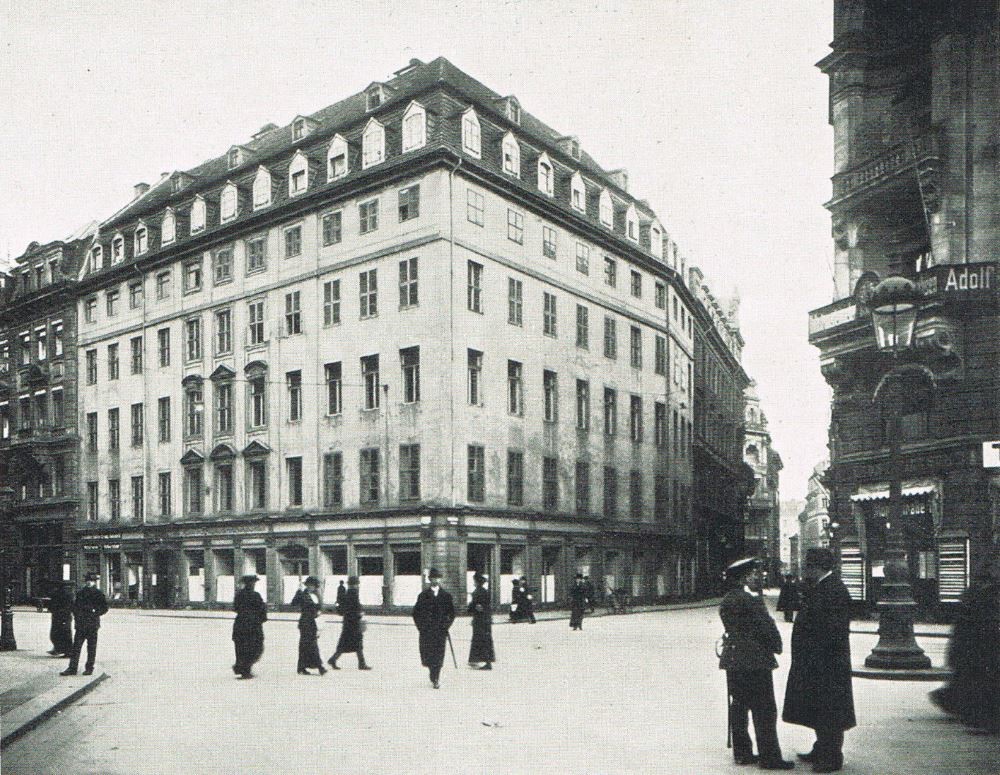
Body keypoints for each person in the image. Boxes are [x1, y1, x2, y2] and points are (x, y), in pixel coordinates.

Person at [783, 548, 856, 773]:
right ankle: (821, 748)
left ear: (819, 567)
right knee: (818, 708)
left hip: (826, 665)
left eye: (809, 566)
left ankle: (832, 756)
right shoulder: (823, 587)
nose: (806, 571)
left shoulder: (833, 590)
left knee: (829, 710)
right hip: (816, 663)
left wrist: (816, 657)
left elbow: (832, 631)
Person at [718, 557, 793, 770]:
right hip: (755, 660)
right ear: (743, 578)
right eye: (753, 574)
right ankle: (770, 757)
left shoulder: (728, 599)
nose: (758, 577)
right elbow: (766, 629)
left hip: (733, 659)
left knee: (739, 705)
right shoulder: (751, 601)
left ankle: (742, 753)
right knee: (765, 709)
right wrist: (776, 646)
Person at [929, 571, 1000, 731]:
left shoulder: (973, 597)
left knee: (971, 681)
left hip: (971, 651)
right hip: (976, 651)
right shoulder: (985, 598)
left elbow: (961, 629)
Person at [412, 567, 455, 688]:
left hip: (440, 631)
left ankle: (436, 678)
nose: (435, 580)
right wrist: (421, 627)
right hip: (427, 631)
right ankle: (432, 673)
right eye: (433, 578)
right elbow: (416, 613)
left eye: (438, 578)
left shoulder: (446, 596)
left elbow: (451, 613)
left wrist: (446, 626)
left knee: (439, 655)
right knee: (428, 655)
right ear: (429, 579)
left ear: (440, 579)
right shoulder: (423, 595)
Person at [60, 572, 109, 676]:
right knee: (76, 647)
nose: (89, 583)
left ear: (94, 582)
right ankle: (72, 668)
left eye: (91, 581)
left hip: (92, 624)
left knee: (91, 648)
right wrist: (77, 615)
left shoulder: (98, 593)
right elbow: (74, 606)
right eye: (87, 580)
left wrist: (96, 612)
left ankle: (89, 668)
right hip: (81, 624)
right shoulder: (81, 593)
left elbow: (104, 608)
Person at [328, 576, 371, 670]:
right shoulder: (353, 594)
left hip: (347, 622)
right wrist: (360, 613)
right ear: (355, 584)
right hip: (353, 623)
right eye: (356, 584)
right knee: (358, 643)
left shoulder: (347, 593)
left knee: (344, 644)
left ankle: (333, 659)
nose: (357, 585)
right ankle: (361, 664)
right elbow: (355, 608)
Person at [232, 574, 267, 679]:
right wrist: (261, 618)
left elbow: (235, 608)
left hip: (241, 624)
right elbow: (262, 609)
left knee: (241, 647)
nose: (253, 585)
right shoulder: (256, 595)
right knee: (254, 647)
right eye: (253, 583)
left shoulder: (239, 595)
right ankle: (245, 670)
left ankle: (243, 669)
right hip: (253, 625)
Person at [291, 576, 326, 675]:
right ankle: (320, 667)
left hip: (313, 623)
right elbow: (293, 604)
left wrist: (318, 611)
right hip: (305, 623)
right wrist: (297, 594)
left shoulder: (315, 596)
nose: (312, 587)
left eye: (314, 586)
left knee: (305, 646)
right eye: (310, 585)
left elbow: (319, 608)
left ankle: (301, 667)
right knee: (312, 645)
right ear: (307, 585)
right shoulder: (303, 594)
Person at [467, 572, 495, 669]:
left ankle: (486, 662)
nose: (473, 583)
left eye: (474, 581)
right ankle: (475, 659)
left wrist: (472, 607)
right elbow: (487, 606)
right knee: (485, 640)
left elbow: (471, 608)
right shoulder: (485, 592)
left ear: (477, 582)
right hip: (486, 619)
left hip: (479, 620)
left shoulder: (476, 593)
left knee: (480, 639)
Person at [47, 581, 75, 657]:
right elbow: (72, 605)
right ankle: (62, 649)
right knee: (64, 633)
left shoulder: (57, 594)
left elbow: (51, 605)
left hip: (59, 615)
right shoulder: (70, 594)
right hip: (65, 616)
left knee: (57, 633)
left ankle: (64, 650)